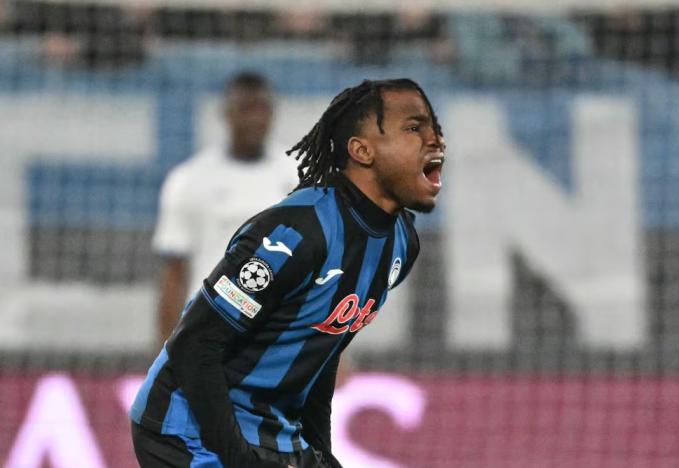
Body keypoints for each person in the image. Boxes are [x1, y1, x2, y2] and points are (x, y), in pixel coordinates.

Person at [130, 78, 446, 468]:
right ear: (362, 150)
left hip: (270, 431)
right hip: (185, 432)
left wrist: (321, 452)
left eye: (434, 129)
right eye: (413, 129)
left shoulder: (401, 244)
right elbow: (194, 345)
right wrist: (239, 458)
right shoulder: (298, 232)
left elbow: (321, 351)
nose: (435, 140)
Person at [153, 72, 296, 350]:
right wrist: (164, 352)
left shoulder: (299, 178)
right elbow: (174, 273)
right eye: (246, 109)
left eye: (262, 109)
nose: (255, 119)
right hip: (210, 331)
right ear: (227, 113)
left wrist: (334, 351)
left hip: (280, 335)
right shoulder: (188, 180)